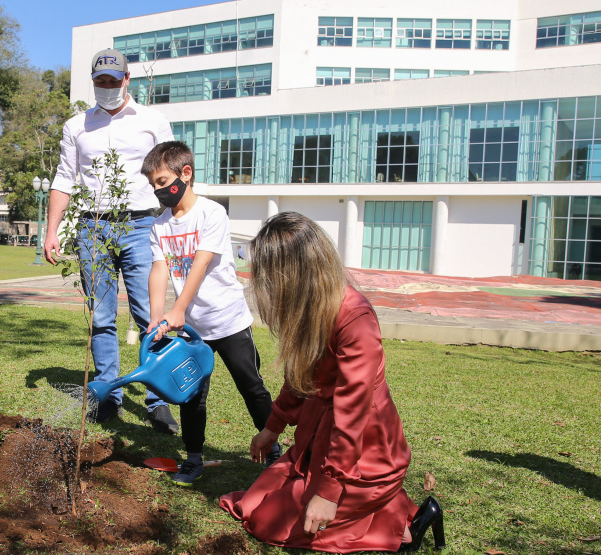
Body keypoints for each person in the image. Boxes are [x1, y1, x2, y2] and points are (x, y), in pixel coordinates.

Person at [219, 212, 446, 552]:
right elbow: (298, 378)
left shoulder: (355, 319)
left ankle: (404, 524)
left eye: (269, 275)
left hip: (363, 454)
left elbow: (352, 413)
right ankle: (387, 511)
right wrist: (273, 427)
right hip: (317, 440)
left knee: (269, 522)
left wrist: (329, 490)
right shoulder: (309, 309)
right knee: (251, 503)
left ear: (294, 273)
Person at [44, 48, 178, 434]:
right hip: (92, 227)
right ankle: (107, 396)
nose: (107, 88)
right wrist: (53, 231)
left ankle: (157, 399)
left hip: (140, 226)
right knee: (101, 316)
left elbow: (170, 172)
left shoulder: (153, 121)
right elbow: (64, 179)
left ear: (127, 79)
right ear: (93, 82)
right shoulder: (77, 126)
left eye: (113, 81)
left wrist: (174, 223)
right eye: (100, 82)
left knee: (148, 315)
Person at [141, 141, 279, 486]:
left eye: (162, 182)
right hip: (192, 330)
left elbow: (200, 263)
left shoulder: (212, 213)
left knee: (252, 387)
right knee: (191, 394)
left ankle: (275, 451)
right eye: (153, 185)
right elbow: (159, 270)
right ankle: (193, 458)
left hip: (228, 321)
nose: (158, 191)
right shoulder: (159, 225)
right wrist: (157, 316)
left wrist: (178, 308)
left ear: (185, 173)